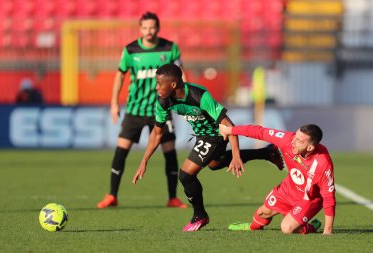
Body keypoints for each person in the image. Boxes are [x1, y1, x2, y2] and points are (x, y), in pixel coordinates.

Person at [132, 63, 284, 232]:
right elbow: (157, 133)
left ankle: (199, 216)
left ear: (173, 84)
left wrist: (235, 155)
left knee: (186, 175)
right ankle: (267, 152)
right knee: (215, 164)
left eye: (159, 83)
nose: (156, 87)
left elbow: (228, 125)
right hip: (202, 137)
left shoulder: (200, 95)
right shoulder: (163, 100)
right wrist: (144, 160)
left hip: (217, 135)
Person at [97, 12, 188, 209]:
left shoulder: (170, 48)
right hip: (135, 110)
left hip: (162, 109)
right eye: (145, 28)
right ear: (140, 29)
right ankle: (112, 195)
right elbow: (120, 76)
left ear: (158, 28)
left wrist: (187, 100)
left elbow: (181, 76)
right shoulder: (130, 50)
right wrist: (114, 102)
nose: (149, 31)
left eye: (152, 27)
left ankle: (172, 197)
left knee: (170, 153)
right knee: (121, 151)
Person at [220, 123, 336, 235]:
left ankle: (310, 227)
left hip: (309, 198)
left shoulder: (322, 163)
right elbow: (260, 132)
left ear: (310, 147)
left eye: (299, 141)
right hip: (289, 189)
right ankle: (252, 227)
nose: (293, 142)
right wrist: (230, 130)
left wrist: (328, 231)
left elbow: (329, 198)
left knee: (287, 228)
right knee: (261, 213)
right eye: (295, 136)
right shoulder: (287, 139)